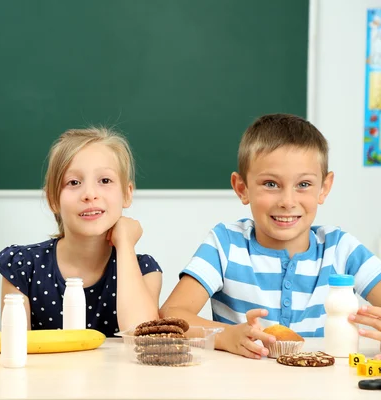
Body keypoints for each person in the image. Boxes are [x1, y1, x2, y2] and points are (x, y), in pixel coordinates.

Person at [160, 114, 381, 358]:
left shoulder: (341, 248)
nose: (287, 201)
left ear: (324, 188)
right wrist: (226, 336)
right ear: (242, 188)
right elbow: (172, 314)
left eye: (304, 184)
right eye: (271, 184)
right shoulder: (225, 245)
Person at [0, 127, 162, 336]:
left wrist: (125, 242)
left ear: (127, 194)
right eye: (74, 182)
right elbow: (14, 349)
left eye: (105, 181)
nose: (90, 194)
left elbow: (142, 336)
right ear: (53, 199)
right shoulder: (23, 267)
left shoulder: (144, 270)